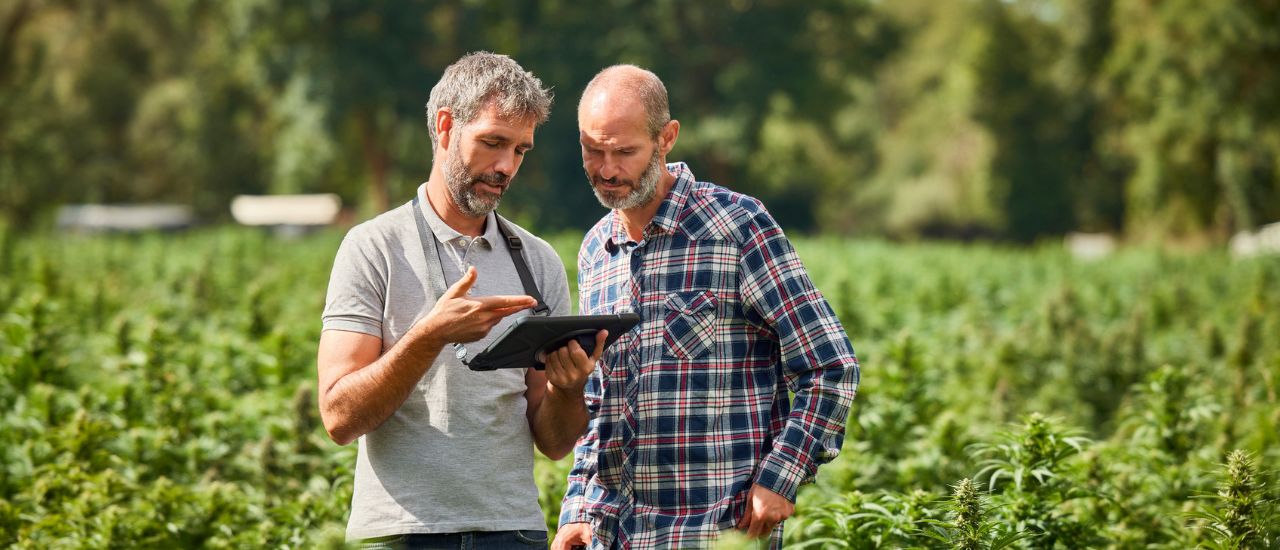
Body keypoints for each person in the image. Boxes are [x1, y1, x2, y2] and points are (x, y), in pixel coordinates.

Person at [552, 65, 861, 550]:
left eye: (625, 152)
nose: (607, 169)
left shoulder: (736, 226)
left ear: (666, 138)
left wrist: (782, 476)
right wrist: (578, 509)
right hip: (614, 535)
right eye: (593, 150)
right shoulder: (596, 250)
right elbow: (600, 403)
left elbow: (830, 365)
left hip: (715, 532)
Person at [317, 51, 603, 549]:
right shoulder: (373, 248)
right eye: (492, 143)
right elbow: (339, 418)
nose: (505, 166)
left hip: (513, 530)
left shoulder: (538, 261)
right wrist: (430, 334)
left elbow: (555, 442)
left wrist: (569, 388)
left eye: (520, 151)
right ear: (447, 127)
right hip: (401, 532)